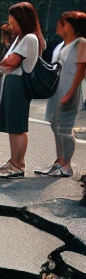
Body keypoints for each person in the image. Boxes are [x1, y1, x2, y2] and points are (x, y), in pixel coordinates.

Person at [0, 1, 44, 179]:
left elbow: (10, 62)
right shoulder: (22, 38)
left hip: (18, 83)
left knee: (16, 127)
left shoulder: (29, 38)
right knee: (16, 126)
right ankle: (17, 163)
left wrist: (3, 64)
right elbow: (7, 62)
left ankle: (16, 164)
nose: (10, 25)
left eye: (13, 21)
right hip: (13, 82)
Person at [36, 10, 86, 178]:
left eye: (64, 22)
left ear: (73, 26)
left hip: (69, 89)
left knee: (64, 127)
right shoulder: (62, 45)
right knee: (55, 125)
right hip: (57, 89)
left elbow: (81, 69)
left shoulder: (81, 43)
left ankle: (67, 165)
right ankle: (59, 161)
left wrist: (70, 92)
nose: (59, 24)